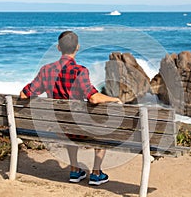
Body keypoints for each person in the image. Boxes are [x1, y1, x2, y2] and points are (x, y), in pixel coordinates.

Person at [20, 31, 122, 185]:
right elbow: (93, 98)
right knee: (102, 129)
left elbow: (23, 95)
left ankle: (74, 170)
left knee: (67, 123)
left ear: (58, 48)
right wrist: (115, 99)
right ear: (78, 47)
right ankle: (96, 173)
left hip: (57, 127)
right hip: (78, 129)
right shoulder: (79, 71)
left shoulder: (46, 70)